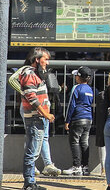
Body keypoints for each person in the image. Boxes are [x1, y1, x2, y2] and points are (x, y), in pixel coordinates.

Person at [18, 47, 56, 190]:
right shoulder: (29, 73)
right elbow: (31, 97)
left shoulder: (35, 73)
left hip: (38, 118)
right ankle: (29, 183)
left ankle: (31, 182)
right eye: (45, 59)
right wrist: (45, 114)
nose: (47, 62)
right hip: (35, 118)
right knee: (32, 151)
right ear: (36, 60)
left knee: (33, 149)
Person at [65, 66, 95, 176]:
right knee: (84, 142)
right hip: (88, 119)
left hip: (77, 118)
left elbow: (71, 105)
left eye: (76, 75)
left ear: (79, 77)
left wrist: (67, 120)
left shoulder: (76, 88)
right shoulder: (90, 89)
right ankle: (85, 167)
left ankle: (76, 166)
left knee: (74, 141)